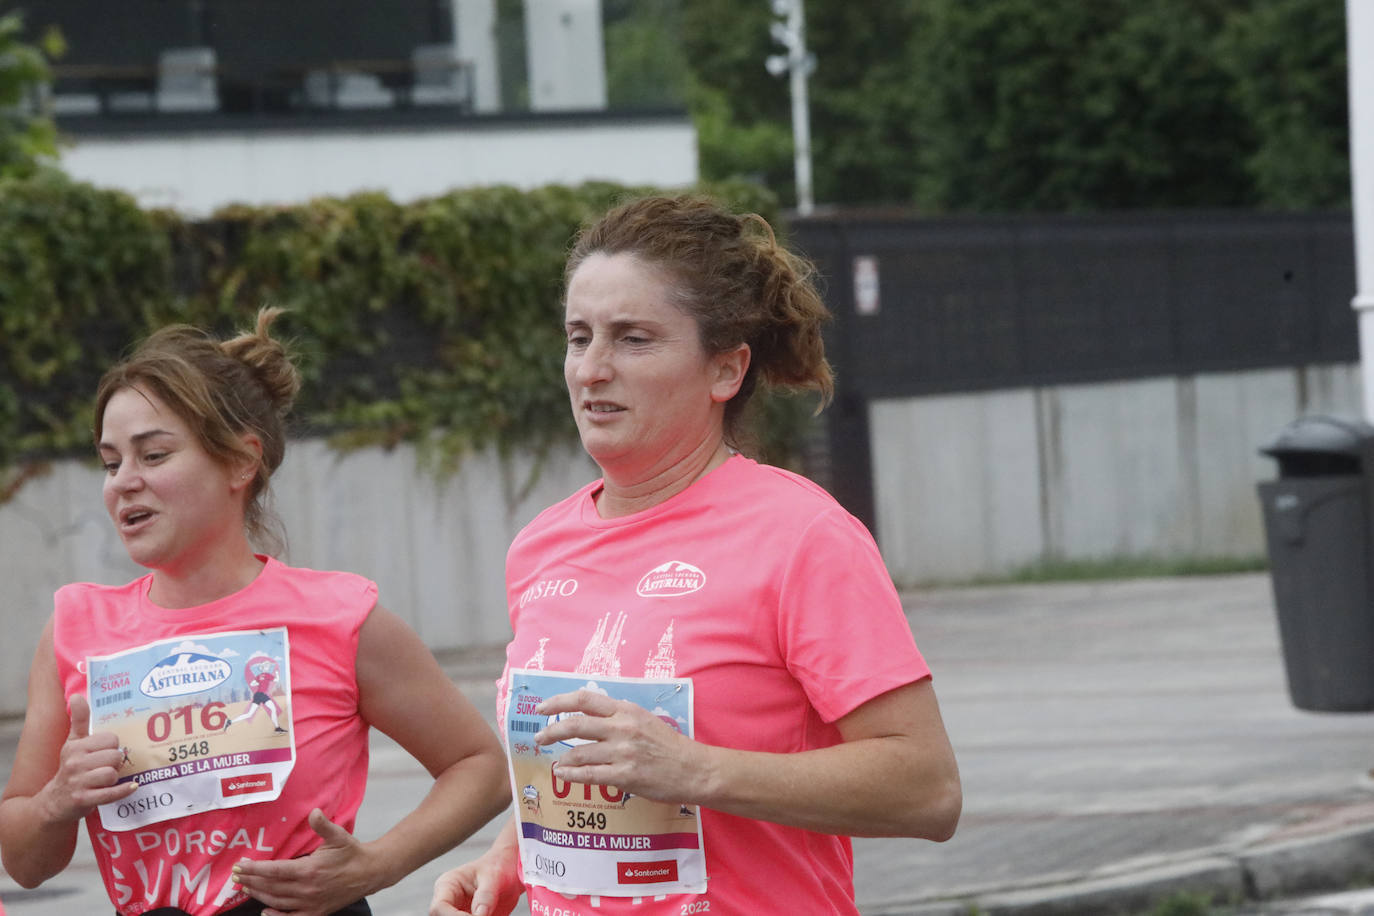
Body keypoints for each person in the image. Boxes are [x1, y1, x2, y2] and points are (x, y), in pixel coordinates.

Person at [430, 195, 961, 916]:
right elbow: (591, 768)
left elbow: (928, 789)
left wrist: (697, 770)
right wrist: (513, 853)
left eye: (633, 339)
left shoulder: (802, 536)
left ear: (725, 370)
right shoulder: (540, 546)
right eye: (578, 337)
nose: (591, 370)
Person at [0, 308, 510, 916]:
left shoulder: (337, 616)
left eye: (153, 455)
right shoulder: (76, 627)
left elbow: (480, 766)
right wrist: (59, 798)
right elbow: (26, 866)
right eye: (112, 463)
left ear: (242, 461)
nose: (122, 483)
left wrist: (375, 866)